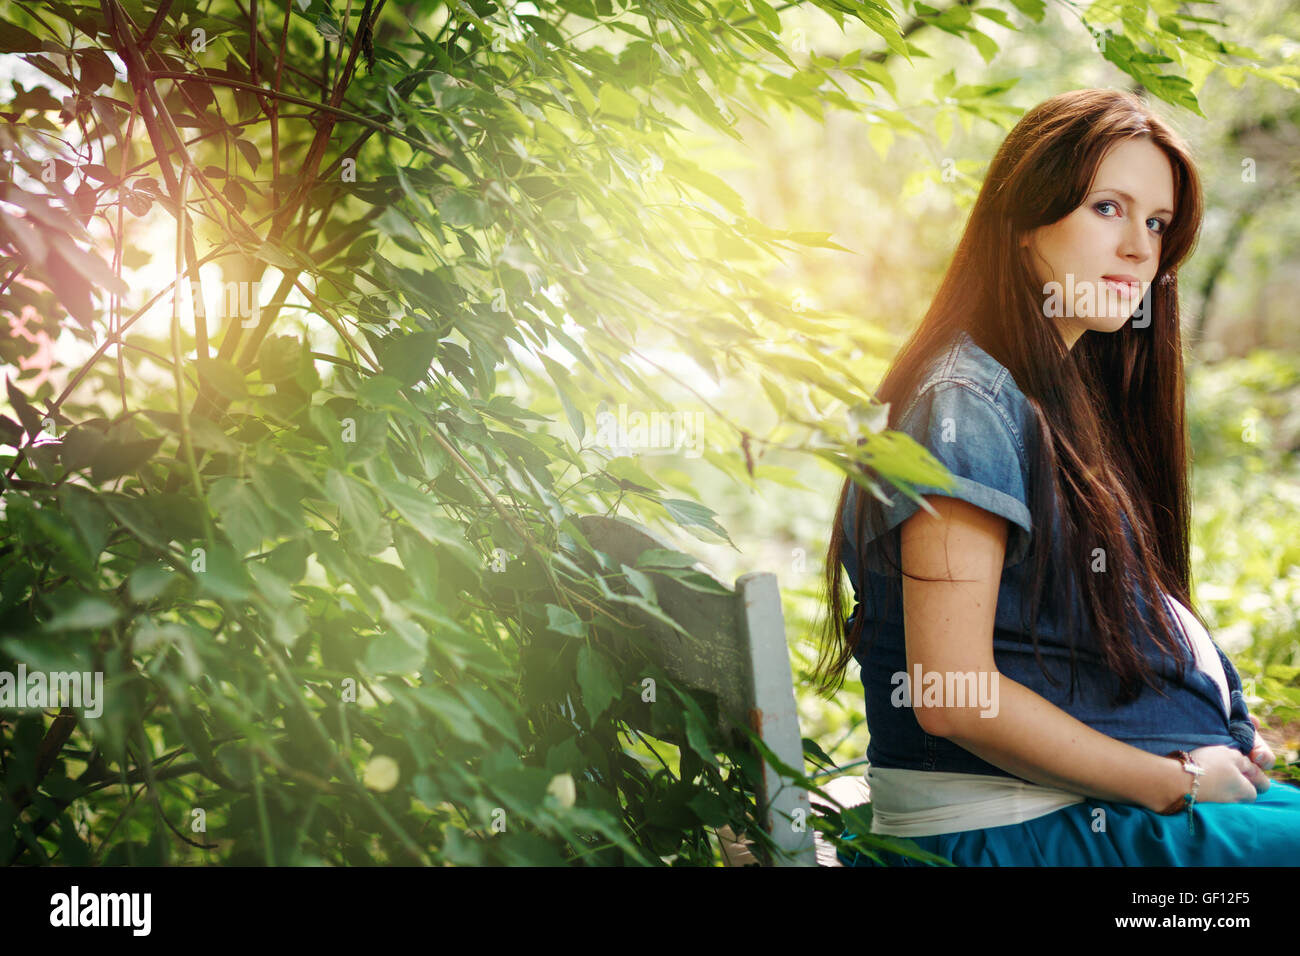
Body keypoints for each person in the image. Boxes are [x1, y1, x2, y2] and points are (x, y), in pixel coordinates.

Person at [814, 88, 1300, 866]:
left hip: (1070, 810)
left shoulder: (1050, 399)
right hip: (998, 830)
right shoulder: (964, 404)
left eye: (1157, 222)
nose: (1141, 248)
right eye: (1108, 207)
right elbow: (950, 697)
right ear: (1022, 222)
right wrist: (1168, 778)